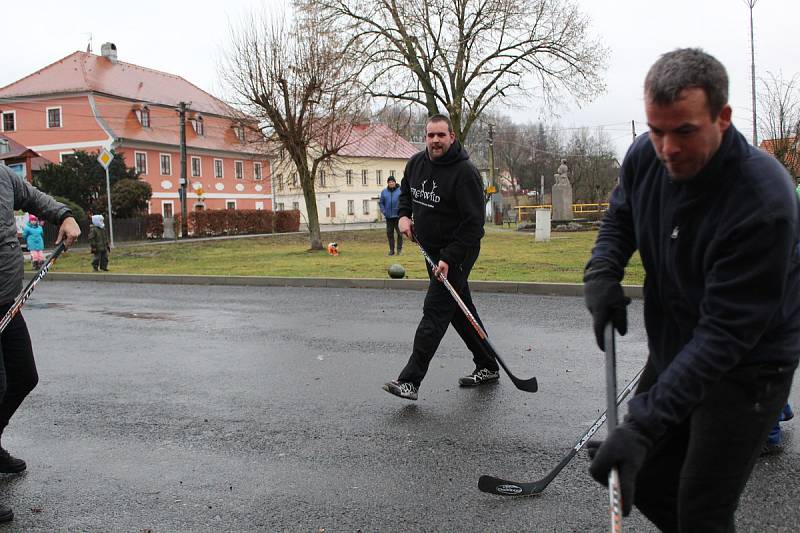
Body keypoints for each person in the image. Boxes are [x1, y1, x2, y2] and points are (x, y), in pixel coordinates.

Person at [583, 48, 799, 530]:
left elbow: (723, 336)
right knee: (653, 485)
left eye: (684, 131)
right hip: (676, 342)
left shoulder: (762, 202)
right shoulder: (648, 155)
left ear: (722, 118)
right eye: (656, 130)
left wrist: (640, 425)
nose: (668, 149)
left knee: (702, 508)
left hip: (747, 368)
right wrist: (602, 272)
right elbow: (622, 217)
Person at [382, 114, 499, 401]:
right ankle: (488, 364)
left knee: (435, 311)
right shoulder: (416, 164)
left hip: (460, 250)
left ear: (452, 137)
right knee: (458, 309)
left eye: (441, 135)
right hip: (430, 249)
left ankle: (410, 381)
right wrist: (404, 217)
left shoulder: (466, 173)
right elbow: (406, 195)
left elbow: (474, 225)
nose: (435, 140)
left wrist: (450, 257)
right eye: (430, 135)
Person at [0, 165, 80, 523]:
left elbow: (32, 197)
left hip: (6, 302)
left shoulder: (2, 175)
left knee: (22, 376)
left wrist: (64, 215)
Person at [379, 176, 402, 255]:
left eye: (392, 181)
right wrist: (384, 211)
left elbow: (403, 201)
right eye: (389, 182)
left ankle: (399, 250)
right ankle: (391, 250)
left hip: (398, 216)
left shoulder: (400, 191)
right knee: (390, 234)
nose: (391, 183)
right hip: (389, 217)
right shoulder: (384, 192)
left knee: (400, 233)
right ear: (388, 183)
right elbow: (381, 203)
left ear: (395, 182)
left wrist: (401, 211)